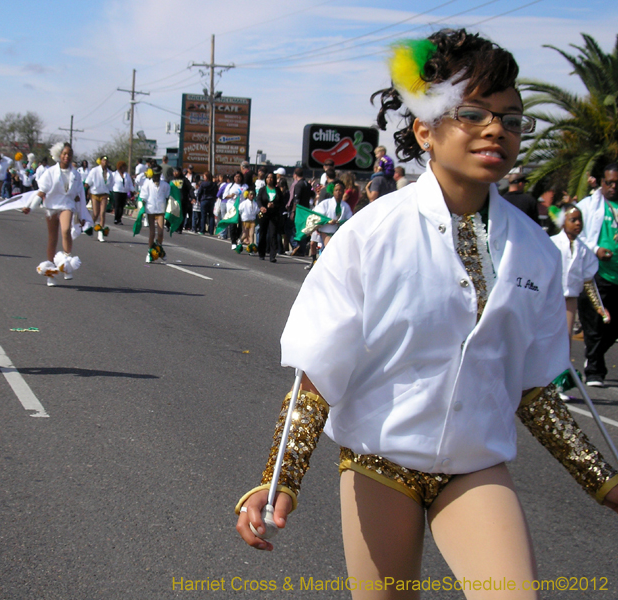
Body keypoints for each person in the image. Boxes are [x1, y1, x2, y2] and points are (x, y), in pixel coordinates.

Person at [236, 28, 618, 596]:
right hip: (379, 462)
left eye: (512, 120)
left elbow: (535, 392)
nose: (497, 130)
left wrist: (605, 481)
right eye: (474, 113)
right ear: (424, 130)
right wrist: (278, 480)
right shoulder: (371, 234)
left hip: (474, 468)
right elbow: (318, 372)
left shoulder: (535, 248)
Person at [576, 163, 618, 386]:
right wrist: (596, 249)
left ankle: (594, 358)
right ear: (601, 182)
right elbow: (574, 232)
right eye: (608, 182)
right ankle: (594, 371)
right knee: (595, 324)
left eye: (616, 183)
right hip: (597, 274)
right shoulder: (588, 206)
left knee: (613, 327)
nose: (612, 187)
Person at [28, 142, 89, 286]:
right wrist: (30, 207)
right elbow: (41, 191)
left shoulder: (76, 174)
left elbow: (79, 196)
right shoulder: (50, 172)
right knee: (52, 239)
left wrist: (81, 216)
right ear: (59, 155)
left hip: (67, 206)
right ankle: (51, 273)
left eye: (69, 154)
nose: (67, 157)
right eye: (64, 154)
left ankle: (67, 265)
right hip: (51, 207)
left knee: (66, 230)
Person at [550, 203, 609, 346]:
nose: (578, 223)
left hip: (570, 300)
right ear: (562, 222)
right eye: (573, 220)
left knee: (566, 338)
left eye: (580, 220)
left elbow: (588, 281)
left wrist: (599, 307)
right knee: (548, 336)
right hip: (550, 298)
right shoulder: (551, 243)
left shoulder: (584, 250)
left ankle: (564, 367)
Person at [138, 165, 170, 263]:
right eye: (154, 175)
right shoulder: (147, 184)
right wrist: (141, 208)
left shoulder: (165, 185)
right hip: (150, 210)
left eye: (157, 175)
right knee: (152, 233)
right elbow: (142, 197)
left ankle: (158, 249)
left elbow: (167, 197)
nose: (155, 177)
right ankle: (149, 251)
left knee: (160, 233)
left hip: (160, 210)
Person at [256, 172, 285, 262]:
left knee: (273, 234)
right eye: (268, 178)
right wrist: (262, 207)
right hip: (264, 214)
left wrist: (274, 205)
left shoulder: (277, 190)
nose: (270, 179)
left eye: (272, 178)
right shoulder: (262, 189)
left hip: (274, 215)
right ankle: (261, 253)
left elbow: (281, 202)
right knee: (262, 233)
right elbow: (259, 199)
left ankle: (273, 255)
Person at [314, 179, 353, 247]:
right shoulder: (326, 203)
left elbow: (349, 219)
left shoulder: (345, 206)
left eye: (340, 190)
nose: (338, 192)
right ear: (332, 191)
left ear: (343, 192)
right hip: (327, 231)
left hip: (339, 233)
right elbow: (317, 215)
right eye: (336, 190)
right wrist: (328, 221)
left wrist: (341, 222)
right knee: (329, 249)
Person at [85, 155, 114, 242]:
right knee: (96, 213)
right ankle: (90, 226)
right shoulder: (94, 170)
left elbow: (111, 185)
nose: (105, 162)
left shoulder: (109, 173)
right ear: (100, 161)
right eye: (103, 160)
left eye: (106, 161)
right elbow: (88, 181)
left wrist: (110, 193)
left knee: (102, 213)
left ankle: (100, 233)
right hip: (95, 194)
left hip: (104, 194)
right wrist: (85, 190)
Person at [112, 161, 134, 225]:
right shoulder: (114, 174)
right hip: (117, 191)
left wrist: (132, 190)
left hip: (124, 192)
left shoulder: (127, 175)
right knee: (117, 205)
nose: (125, 168)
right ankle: (116, 219)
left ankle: (119, 219)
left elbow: (130, 184)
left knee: (122, 206)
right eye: (123, 167)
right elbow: (111, 183)